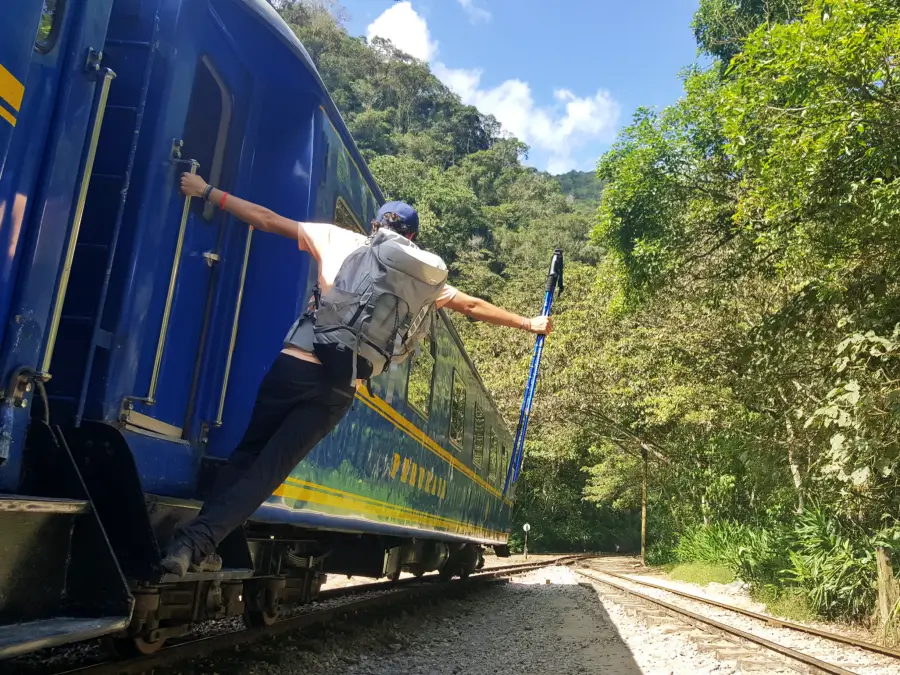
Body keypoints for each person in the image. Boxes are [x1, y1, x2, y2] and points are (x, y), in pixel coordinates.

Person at [162, 172, 554, 576]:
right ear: (414, 238)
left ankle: (195, 545)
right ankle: (196, 544)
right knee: (267, 472)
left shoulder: (340, 240)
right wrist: (529, 323)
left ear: (375, 226)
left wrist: (207, 191)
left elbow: (264, 218)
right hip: (339, 385)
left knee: (247, 455)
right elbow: (472, 305)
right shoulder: (424, 282)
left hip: (295, 363)